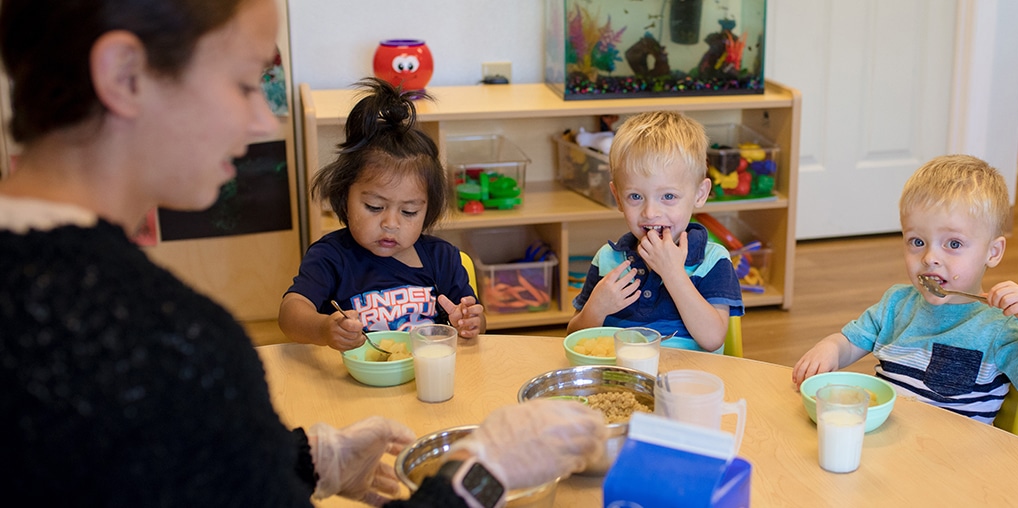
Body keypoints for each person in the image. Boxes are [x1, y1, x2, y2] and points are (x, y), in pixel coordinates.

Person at [0, 1, 603, 506]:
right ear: (125, 74)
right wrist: (485, 472)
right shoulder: (166, 344)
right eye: (244, 84)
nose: (262, 117)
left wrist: (296, 460)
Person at [792, 155, 1018, 423]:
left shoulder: (998, 327)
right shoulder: (896, 305)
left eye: (953, 244)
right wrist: (828, 348)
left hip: (953, 465)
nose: (929, 258)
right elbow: (849, 343)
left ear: (993, 252)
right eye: (917, 242)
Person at [278, 78, 484, 352]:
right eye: (375, 207)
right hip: (355, 388)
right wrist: (323, 329)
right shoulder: (331, 257)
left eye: (409, 211)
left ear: (428, 210)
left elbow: (477, 325)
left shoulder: (441, 259)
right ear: (344, 196)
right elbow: (290, 313)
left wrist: (470, 322)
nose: (390, 223)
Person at [567, 111, 743, 352]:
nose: (650, 212)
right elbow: (575, 340)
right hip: (622, 381)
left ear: (700, 194)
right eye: (635, 196)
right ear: (618, 197)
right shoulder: (607, 260)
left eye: (668, 196)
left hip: (685, 383)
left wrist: (673, 274)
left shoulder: (712, 260)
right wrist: (595, 310)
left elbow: (712, 339)